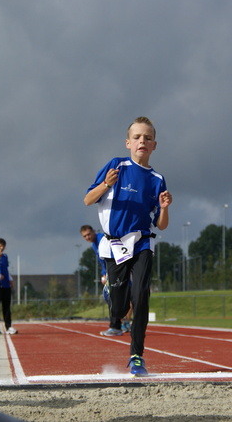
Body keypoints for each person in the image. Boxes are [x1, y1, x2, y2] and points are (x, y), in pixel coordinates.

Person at [84, 116, 172, 376]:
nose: (141, 141)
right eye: (137, 137)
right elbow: (88, 199)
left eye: (147, 138)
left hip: (143, 241)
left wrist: (165, 208)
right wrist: (106, 184)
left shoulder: (157, 179)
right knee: (120, 308)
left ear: (154, 145)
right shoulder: (116, 166)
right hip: (114, 245)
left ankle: (136, 355)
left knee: (141, 295)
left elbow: (161, 224)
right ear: (128, 143)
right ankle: (112, 292)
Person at [80, 224, 132, 333]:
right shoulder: (94, 245)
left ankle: (118, 325)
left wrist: (109, 273)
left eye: (89, 234)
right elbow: (102, 261)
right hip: (111, 272)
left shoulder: (103, 239)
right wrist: (104, 273)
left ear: (93, 231)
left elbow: (111, 256)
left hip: (118, 268)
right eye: (85, 236)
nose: (87, 237)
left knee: (120, 297)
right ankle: (121, 323)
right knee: (117, 297)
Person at [0, 238, 17, 335]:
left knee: (6, 307)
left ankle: (8, 326)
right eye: (0, 246)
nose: (2, 247)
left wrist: (10, 279)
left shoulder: (5, 257)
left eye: (3, 246)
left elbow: (5, 269)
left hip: (5, 284)